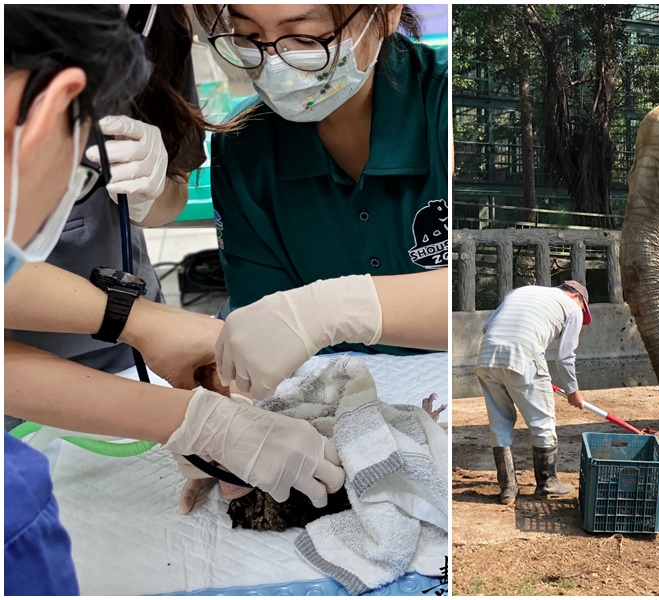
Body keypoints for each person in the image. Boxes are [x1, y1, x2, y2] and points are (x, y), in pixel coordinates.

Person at [4, 6, 344, 593]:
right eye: (78, 173)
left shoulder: (159, 26)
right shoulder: (20, 507)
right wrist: (189, 418)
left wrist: (152, 347)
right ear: (44, 113)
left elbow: (166, 194)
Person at [194, 4, 449, 400]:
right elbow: (265, 331)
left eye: (306, 37)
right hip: (333, 395)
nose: (274, 64)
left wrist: (332, 310)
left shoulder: (445, 104)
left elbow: (480, 300)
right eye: (247, 37)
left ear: (386, 13)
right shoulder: (245, 148)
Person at [5, 5, 207, 378]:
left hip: (126, 353)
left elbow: (175, 191)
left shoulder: (158, 23)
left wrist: (152, 193)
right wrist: (136, 319)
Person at [476, 281, 592, 504]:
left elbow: (487, 326)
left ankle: (508, 489)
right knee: (543, 423)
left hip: (488, 355)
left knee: (499, 423)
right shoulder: (573, 308)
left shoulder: (522, 291)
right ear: (579, 299)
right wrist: (573, 390)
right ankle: (547, 482)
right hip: (525, 355)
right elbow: (565, 356)